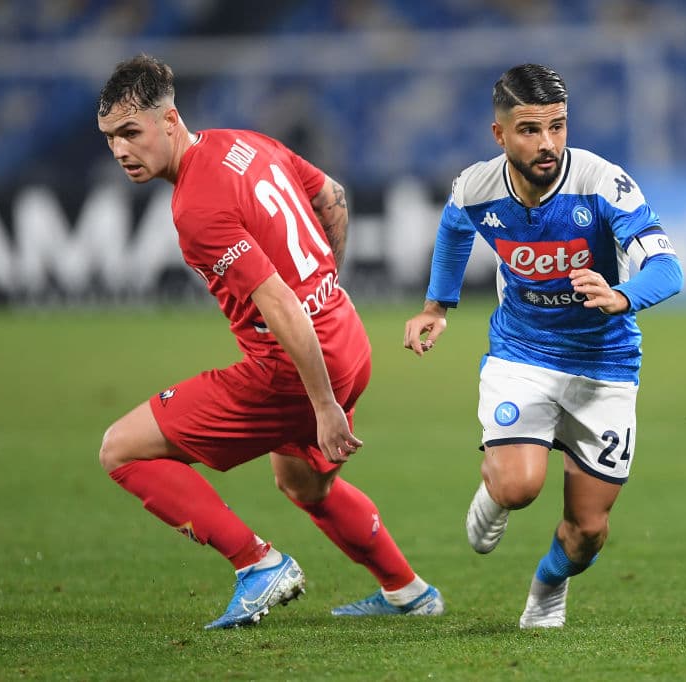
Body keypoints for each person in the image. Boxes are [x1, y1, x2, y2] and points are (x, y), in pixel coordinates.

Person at [96, 54, 443, 630]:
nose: (122, 151)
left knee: (121, 448)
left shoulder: (197, 206)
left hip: (295, 367)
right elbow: (332, 195)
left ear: (170, 120)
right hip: (347, 337)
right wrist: (328, 284)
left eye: (132, 133)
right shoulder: (245, 143)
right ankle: (409, 590)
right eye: (110, 138)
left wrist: (323, 404)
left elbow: (279, 303)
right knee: (304, 481)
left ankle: (258, 564)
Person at [404, 64, 682, 628]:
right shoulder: (476, 187)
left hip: (605, 364)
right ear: (499, 134)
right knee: (519, 484)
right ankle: (497, 491)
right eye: (530, 129)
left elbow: (668, 269)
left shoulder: (603, 184)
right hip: (522, 354)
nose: (548, 143)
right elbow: (455, 228)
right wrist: (437, 306)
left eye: (557, 126)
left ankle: (548, 586)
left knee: (588, 533)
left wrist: (622, 295)